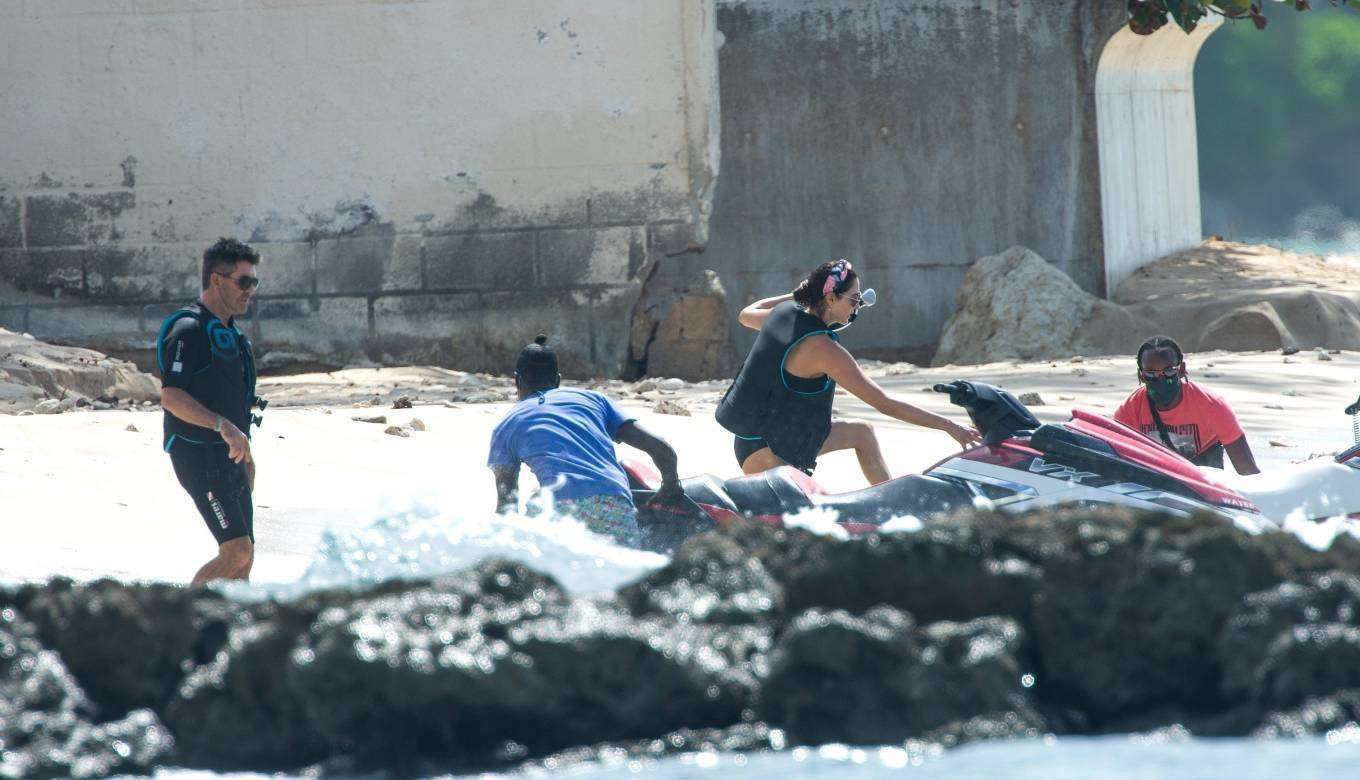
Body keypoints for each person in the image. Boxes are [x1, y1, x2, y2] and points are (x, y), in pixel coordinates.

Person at [717, 259, 979, 484]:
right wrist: (951, 426)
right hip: (767, 454)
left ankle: (889, 501)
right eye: (854, 299)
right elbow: (885, 404)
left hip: (766, 437)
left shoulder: (783, 315)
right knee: (809, 518)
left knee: (861, 433)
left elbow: (746, 314)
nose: (857, 306)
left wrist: (795, 295)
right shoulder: (824, 349)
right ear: (831, 298)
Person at [488, 335, 684, 547]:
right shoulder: (595, 400)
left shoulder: (506, 425)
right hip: (614, 503)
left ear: (517, 381)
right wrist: (671, 486)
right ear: (558, 380)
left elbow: (506, 505)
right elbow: (661, 448)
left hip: (557, 510)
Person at [157, 237, 264, 586]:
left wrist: (246, 452)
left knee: (244, 563)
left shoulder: (233, 336)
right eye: (243, 281)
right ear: (217, 280)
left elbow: (232, 401)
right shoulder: (188, 329)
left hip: (230, 456)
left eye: (254, 282)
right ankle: (182, 613)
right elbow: (171, 396)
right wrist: (223, 427)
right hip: (198, 454)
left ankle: (230, 621)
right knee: (237, 551)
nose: (249, 290)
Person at [1114, 336, 1260, 474]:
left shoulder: (1212, 406)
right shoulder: (1129, 411)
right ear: (1141, 375)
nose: (1160, 379)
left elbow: (1247, 470)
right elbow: (1116, 465)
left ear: (1182, 370)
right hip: (1156, 477)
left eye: (1169, 371)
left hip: (1203, 478)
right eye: (1151, 374)